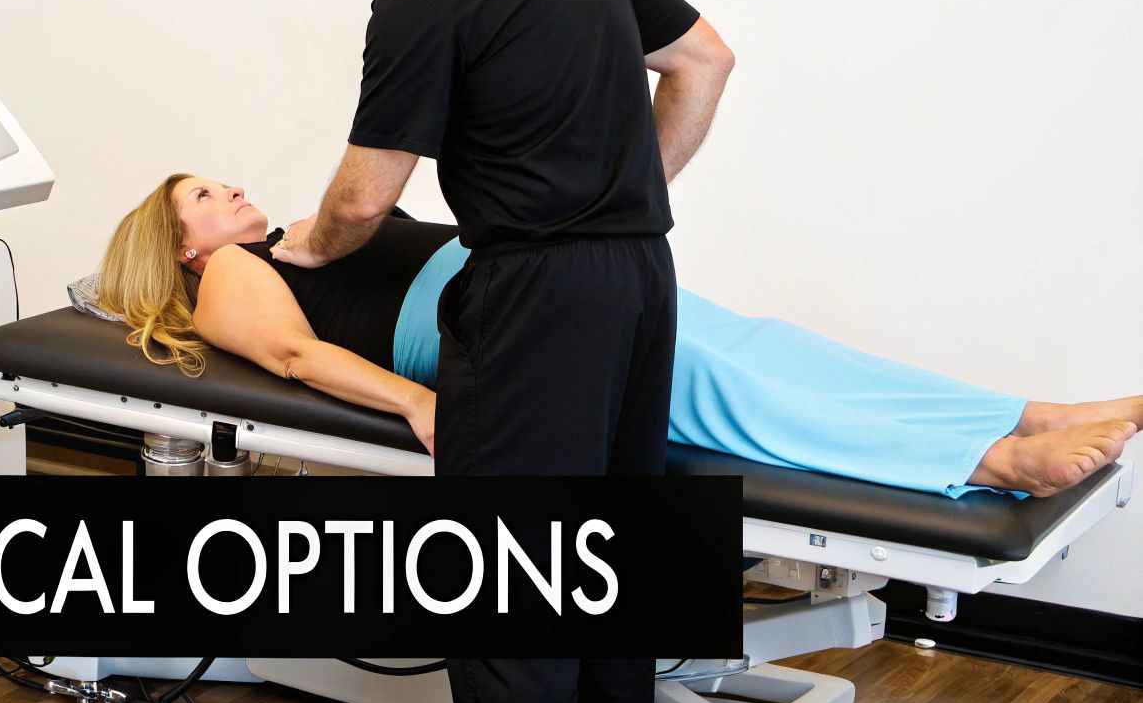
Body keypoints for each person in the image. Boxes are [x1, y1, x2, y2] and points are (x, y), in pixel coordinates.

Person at [274, 0, 733, 703]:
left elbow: (363, 199)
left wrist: (308, 247)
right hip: (640, 273)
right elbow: (703, 59)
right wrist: (620, 194)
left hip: (534, 297)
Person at [96, 174, 1137, 501]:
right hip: (492, 329)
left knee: (760, 342)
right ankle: (990, 461)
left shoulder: (282, 237)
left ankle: (1022, 410)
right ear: (175, 244)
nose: (225, 187)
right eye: (200, 193)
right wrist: (421, 403)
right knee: (703, 377)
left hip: (541, 285)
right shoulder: (226, 276)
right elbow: (291, 357)